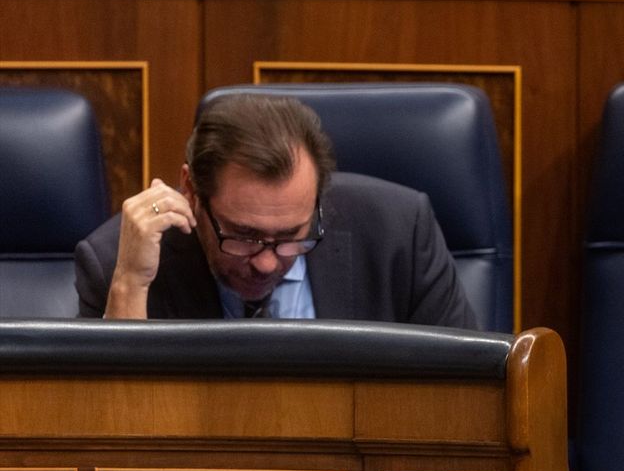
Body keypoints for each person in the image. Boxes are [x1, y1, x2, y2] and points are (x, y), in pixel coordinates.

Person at [75, 93, 477, 327]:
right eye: (244, 236)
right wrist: (129, 284)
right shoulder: (117, 261)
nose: (267, 263)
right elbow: (103, 437)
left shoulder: (399, 232)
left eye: (290, 236)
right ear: (191, 191)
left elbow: (466, 396)